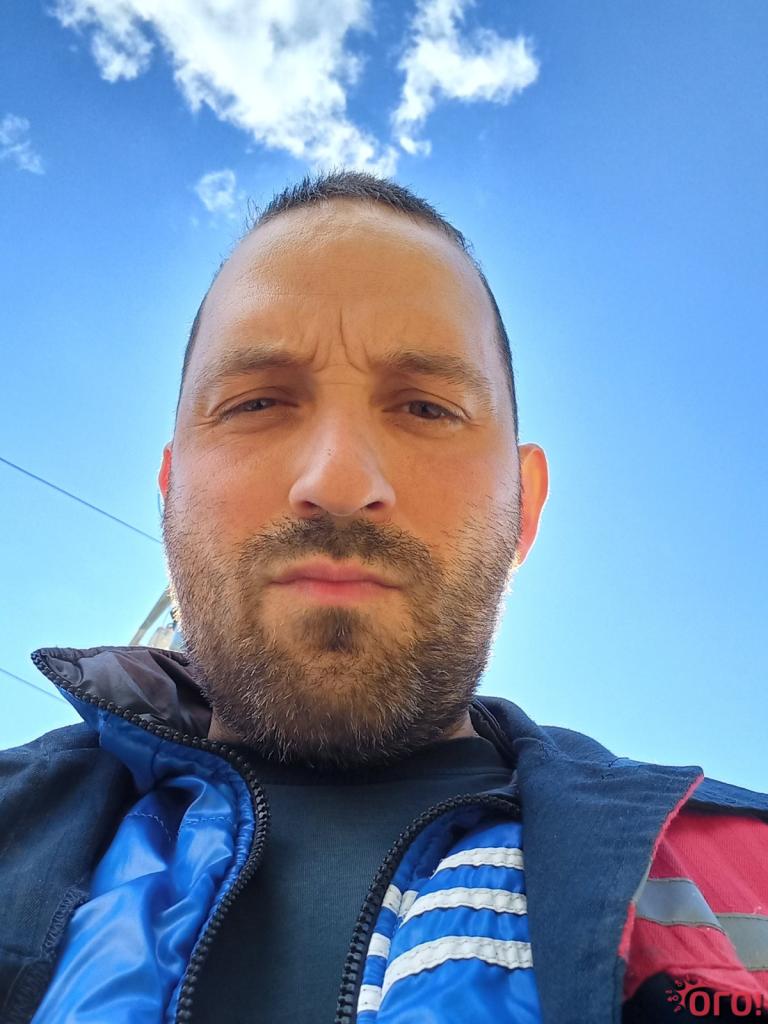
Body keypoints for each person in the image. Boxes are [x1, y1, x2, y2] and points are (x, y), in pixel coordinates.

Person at [1, 171, 766, 1024]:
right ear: (170, 489)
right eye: (257, 401)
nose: (338, 481)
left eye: (427, 409)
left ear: (525, 507)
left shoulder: (752, 879)